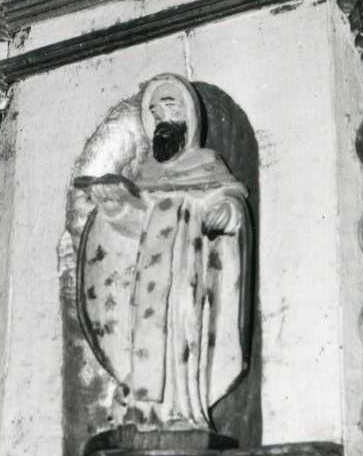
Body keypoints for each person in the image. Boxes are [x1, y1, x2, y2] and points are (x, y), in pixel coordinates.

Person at [78, 72, 251, 435]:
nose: (161, 118)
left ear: (189, 114)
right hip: (147, 280)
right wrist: (115, 207)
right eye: (154, 112)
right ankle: (146, 410)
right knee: (146, 333)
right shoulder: (145, 172)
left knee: (182, 332)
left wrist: (225, 212)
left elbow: (230, 202)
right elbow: (136, 225)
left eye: (169, 107)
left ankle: (184, 409)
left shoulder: (207, 163)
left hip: (190, 273)